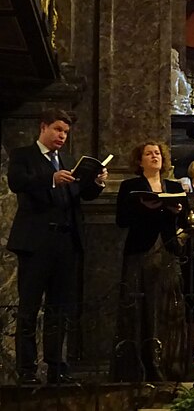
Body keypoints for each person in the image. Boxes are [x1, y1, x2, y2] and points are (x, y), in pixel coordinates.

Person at [7, 109, 107, 385]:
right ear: (43, 127)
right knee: (29, 308)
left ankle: (57, 366)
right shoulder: (23, 155)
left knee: (59, 308)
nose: (62, 136)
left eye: (65, 132)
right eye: (58, 129)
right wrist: (51, 179)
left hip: (66, 242)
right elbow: (17, 183)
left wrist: (96, 183)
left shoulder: (68, 160)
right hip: (36, 242)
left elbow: (78, 194)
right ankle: (26, 369)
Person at [114, 141, 185, 382]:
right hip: (140, 251)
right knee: (138, 308)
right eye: (148, 153)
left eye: (157, 153)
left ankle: (168, 364)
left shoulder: (173, 186)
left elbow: (183, 218)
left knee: (167, 308)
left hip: (167, 250)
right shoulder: (130, 186)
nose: (154, 156)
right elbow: (122, 220)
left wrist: (176, 212)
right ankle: (139, 366)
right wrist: (143, 207)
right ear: (140, 160)